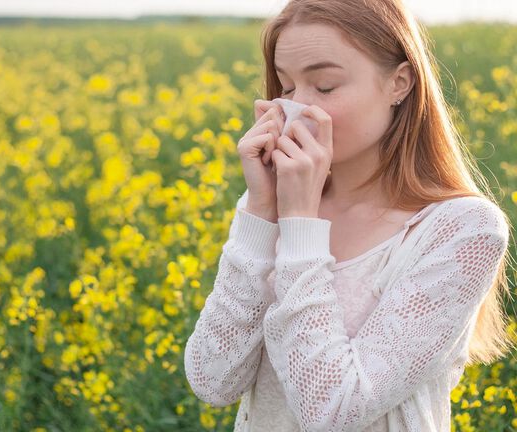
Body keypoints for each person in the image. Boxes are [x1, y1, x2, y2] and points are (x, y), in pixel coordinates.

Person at [183, 0, 514, 430]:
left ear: (399, 83)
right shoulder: (263, 210)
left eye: (324, 87)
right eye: (285, 88)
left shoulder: (461, 229)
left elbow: (333, 412)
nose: (297, 110)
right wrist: (262, 213)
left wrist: (300, 224)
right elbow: (213, 382)